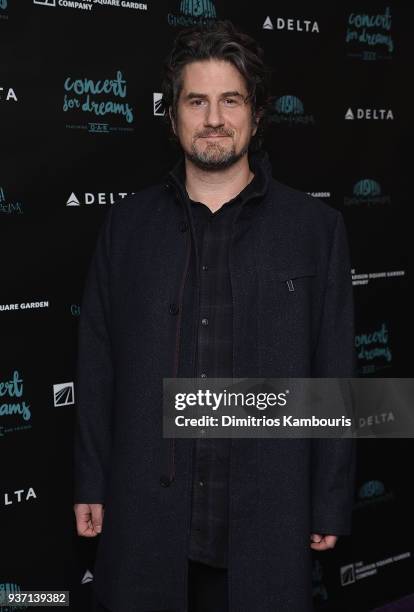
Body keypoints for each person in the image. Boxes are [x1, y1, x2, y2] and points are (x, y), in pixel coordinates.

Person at [73, 19, 357, 612]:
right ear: (172, 113)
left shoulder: (316, 230)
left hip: (268, 521)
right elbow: (97, 365)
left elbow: (335, 376)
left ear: (255, 113)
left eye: (231, 100)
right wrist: (91, 481)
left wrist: (329, 499)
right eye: (196, 101)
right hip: (147, 519)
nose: (214, 119)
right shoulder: (126, 228)